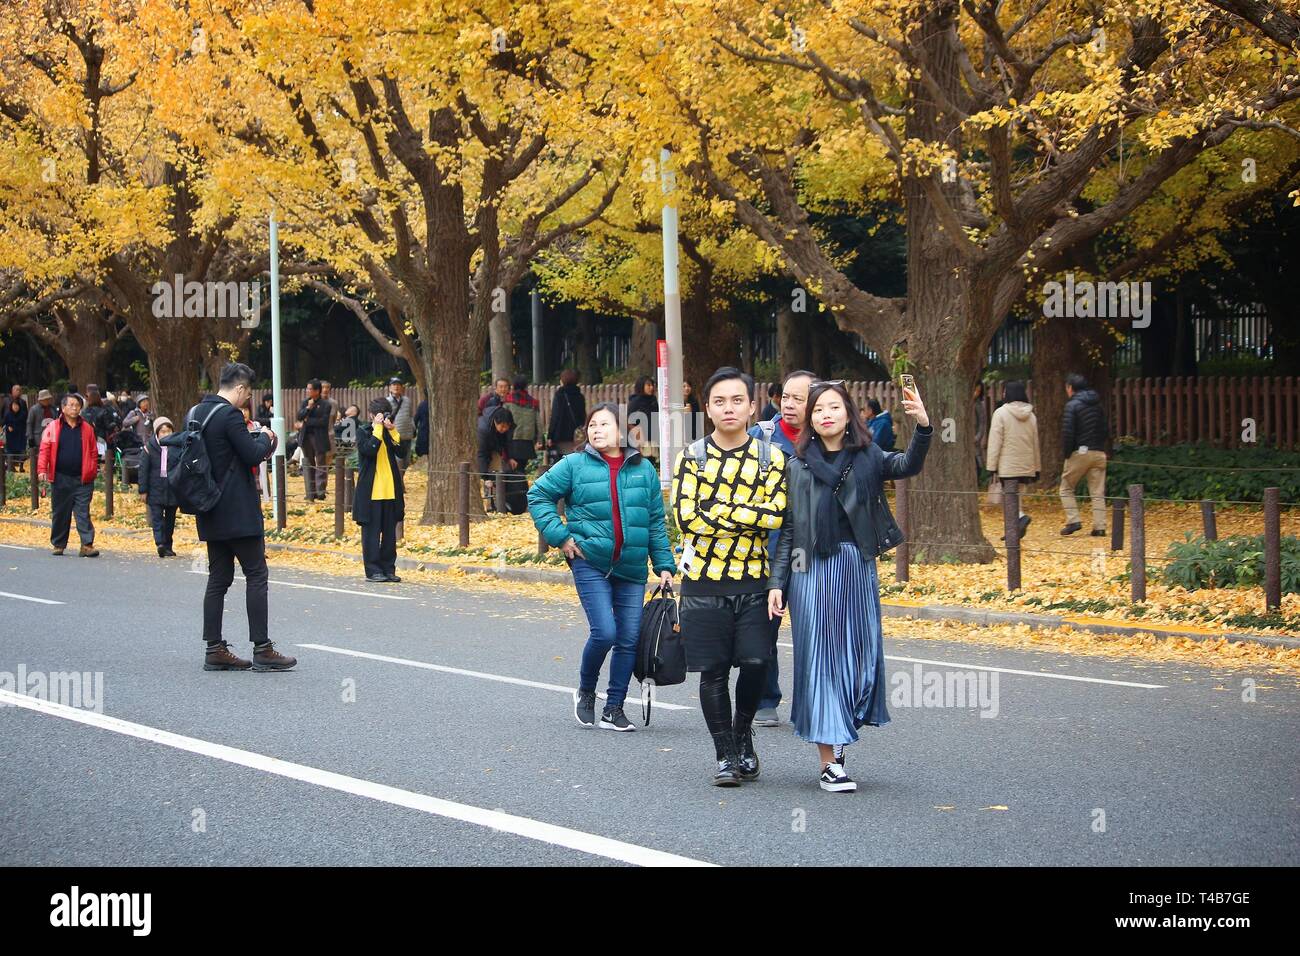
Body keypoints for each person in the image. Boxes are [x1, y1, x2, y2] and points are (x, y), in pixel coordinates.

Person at [768, 380, 932, 793]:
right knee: (822, 659)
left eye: (834, 408)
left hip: (856, 566)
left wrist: (924, 427)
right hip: (811, 570)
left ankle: (839, 738)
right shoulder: (798, 463)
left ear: (848, 416)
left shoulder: (868, 456)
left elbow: (907, 465)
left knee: (858, 658)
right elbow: (789, 528)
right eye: (818, 408)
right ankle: (829, 762)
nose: (825, 414)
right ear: (810, 418)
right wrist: (778, 582)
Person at [671, 367, 787, 787]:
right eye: (719, 401)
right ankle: (725, 754)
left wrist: (718, 510)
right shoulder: (693, 456)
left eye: (737, 400)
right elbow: (687, 518)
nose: (729, 408)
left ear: (752, 406)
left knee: (756, 663)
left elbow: (774, 515)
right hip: (703, 581)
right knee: (713, 671)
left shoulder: (769, 456)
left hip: (755, 580)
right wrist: (744, 514)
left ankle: (743, 733)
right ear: (707, 408)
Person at [529, 403, 675, 732]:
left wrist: (664, 564)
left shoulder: (643, 470)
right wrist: (561, 537)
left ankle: (614, 708)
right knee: (605, 632)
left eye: (604, 425)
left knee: (628, 638)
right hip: (589, 561)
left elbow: (654, 522)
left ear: (622, 431)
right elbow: (538, 495)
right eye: (592, 425)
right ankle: (585, 690)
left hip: (633, 567)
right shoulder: (574, 465)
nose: (596, 430)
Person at [189, 363, 293, 671]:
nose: (246, 400)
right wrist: (266, 437)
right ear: (240, 389)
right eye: (247, 394)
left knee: (218, 578)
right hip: (238, 510)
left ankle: (214, 649)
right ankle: (262, 648)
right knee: (256, 575)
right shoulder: (229, 415)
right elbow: (250, 453)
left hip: (209, 507)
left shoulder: (195, 413)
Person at [746, 369, 817, 728]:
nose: (788, 404)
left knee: (814, 629)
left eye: (798, 399)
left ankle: (814, 702)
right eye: (785, 397)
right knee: (764, 627)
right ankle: (764, 699)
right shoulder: (762, 436)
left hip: (814, 552)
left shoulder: (828, 438)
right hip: (768, 549)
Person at [37, 392, 99, 557]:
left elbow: (93, 452)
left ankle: (87, 544)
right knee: (60, 512)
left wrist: (93, 469)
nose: (74, 408)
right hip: (60, 477)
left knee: (82, 512)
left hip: (83, 478)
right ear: (63, 408)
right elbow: (44, 450)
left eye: (77, 405)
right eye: (70, 405)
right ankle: (58, 543)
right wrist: (42, 469)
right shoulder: (53, 427)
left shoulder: (87, 428)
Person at [353, 398, 405, 583]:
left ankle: (388, 568)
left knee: (390, 535)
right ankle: (373, 570)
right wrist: (376, 428)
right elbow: (369, 450)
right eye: (378, 416)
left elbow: (402, 453)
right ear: (371, 416)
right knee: (371, 535)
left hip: (390, 490)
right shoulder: (363, 432)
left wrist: (392, 430)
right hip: (371, 492)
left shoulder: (388, 433)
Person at [985, 381, 1040, 540]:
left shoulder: (1000, 413)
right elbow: (1035, 443)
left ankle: (1020, 518)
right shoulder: (1031, 416)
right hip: (1026, 465)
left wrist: (991, 466)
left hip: (1007, 465)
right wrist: (1037, 468)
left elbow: (995, 442)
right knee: (1017, 496)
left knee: (1008, 498)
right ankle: (1013, 531)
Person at [1058, 373, 1108, 536]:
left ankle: (1074, 520)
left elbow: (1068, 433)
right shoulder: (1098, 404)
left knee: (1066, 487)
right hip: (1099, 451)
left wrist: (1067, 453)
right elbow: (1106, 430)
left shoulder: (1072, 405)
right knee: (1097, 492)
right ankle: (1100, 527)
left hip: (1080, 452)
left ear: (1071, 388)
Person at [137, 417, 179, 557]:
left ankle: (168, 545)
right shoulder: (149, 448)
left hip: (172, 488)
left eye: (169, 431)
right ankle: (160, 543)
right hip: (155, 488)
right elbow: (143, 470)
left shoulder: (177, 447)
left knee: (170, 520)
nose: (166, 434)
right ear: (157, 433)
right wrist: (143, 490)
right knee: (157, 518)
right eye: (163, 431)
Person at [477, 405, 517, 510]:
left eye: (506, 427)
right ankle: (489, 505)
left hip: (495, 448)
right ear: (495, 422)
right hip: (482, 450)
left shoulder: (506, 427)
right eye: (502, 426)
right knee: (487, 478)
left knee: (497, 474)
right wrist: (485, 476)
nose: (504, 429)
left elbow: (508, 441)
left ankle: (497, 503)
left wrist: (510, 457)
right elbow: (481, 454)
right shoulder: (483, 430)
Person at [296, 379, 330, 501]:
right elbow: (299, 416)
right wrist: (308, 409)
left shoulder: (326, 404)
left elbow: (323, 422)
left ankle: (320, 491)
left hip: (319, 437)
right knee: (309, 463)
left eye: (310, 389)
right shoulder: (305, 402)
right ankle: (311, 491)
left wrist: (308, 421)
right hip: (306, 436)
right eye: (307, 388)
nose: (308, 391)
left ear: (317, 391)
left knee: (321, 464)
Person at [547, 368, 586, 458]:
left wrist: (550, 435)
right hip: (576, 436)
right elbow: (583, 416)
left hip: (561, 435)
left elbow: (555, 416)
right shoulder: (579, 396)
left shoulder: (559, 395)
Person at [505, 376, 542, 469]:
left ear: (513, 386)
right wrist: (539, 439)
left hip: (512, 440)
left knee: (512, 470)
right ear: (526, 386)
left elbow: (504, 420)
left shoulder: (508, 401)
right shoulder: (533, 402)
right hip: (527, 441)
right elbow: (539, 423)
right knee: (522, 469)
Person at [385, 377, 415, 469]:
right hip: (394, 436)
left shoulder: (407, 400)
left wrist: (413, 429)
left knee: (405, 463)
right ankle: (398, 483)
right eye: (393, 385)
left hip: (407, 435)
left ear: (402, 387)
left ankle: (400, 481)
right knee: (397, 462)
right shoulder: (386, 401)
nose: (396, 387)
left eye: (398, 384)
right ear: (389, 387)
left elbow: (410, 416)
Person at [626, 376, 659, 463]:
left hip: (654, 439)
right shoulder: (635, 402)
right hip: (641, 440)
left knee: (654, 463)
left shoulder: (653, 400)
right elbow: (630, 423)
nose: (651, 387)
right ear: (641, 386)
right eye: (648, 385)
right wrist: (639, 439)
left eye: (652, 385)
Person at [26, 389, 57, 462]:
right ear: (41, 400)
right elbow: (29, 424)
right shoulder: (34, 409)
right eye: (45, 399)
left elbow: (56, 421)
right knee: (39, 459)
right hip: (38, 439)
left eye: (48, 399)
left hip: (52, 437)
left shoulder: (53, 409)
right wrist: (30, 438)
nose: (47, 401)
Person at [3, 392, 27, 471]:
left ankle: (21, 466)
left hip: (20, 435)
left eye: (17, 405)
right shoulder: (8, 414)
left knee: (21, 452)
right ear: (11, 406)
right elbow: (4, 424)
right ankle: (11, 466)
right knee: (11, 452)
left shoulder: (23, 414)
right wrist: (8, 427)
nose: (15, 407)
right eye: (14, 405)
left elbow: (25, 423)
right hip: (11, 437)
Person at [973, 381, 989, 475]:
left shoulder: (979, 405)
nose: (976, 393)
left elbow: (982, 423)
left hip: (974, 440)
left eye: (978, 391)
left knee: (977, 464)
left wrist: (977, 438)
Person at [413, 392, 429, 461]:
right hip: (426, 432)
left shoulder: (422, 405)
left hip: (424, 432)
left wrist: (414, 432)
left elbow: (416, 419)